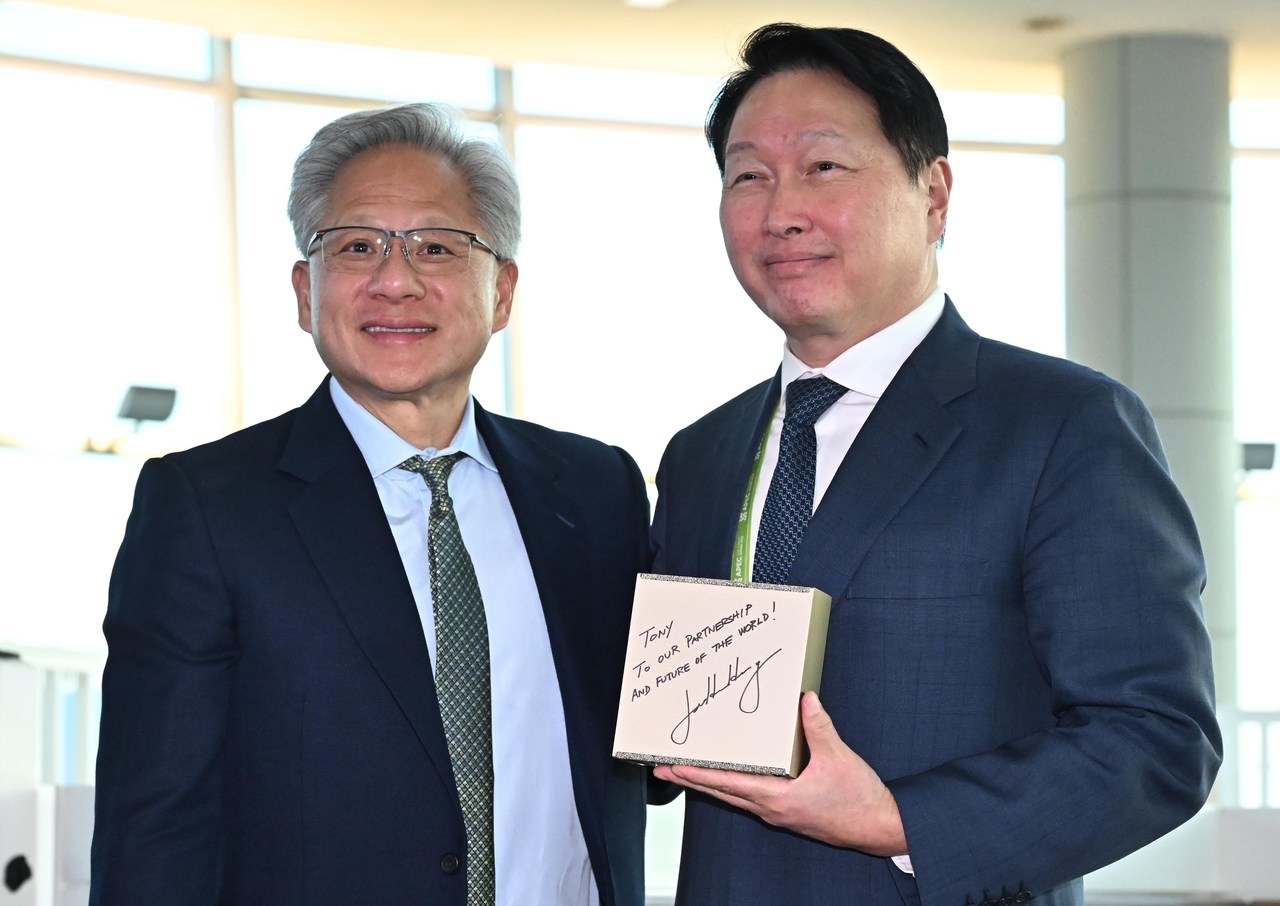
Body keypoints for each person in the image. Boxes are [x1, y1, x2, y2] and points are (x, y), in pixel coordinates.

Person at [649, 23, 1221, 906]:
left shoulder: (1062, 425)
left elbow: (1158, 739)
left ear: (934, 192)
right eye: (747, 176)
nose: (780, 210)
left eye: (824, 168)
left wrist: (899, 820)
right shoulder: (702, 453)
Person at [90, 104, 651, 906]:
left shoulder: (598, 492)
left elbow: (655, 744)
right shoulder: (207, 509)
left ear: (502, 292)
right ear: (303, 290)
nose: (396, 279)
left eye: (436, 247)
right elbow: (154, 828)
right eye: (356, 246)